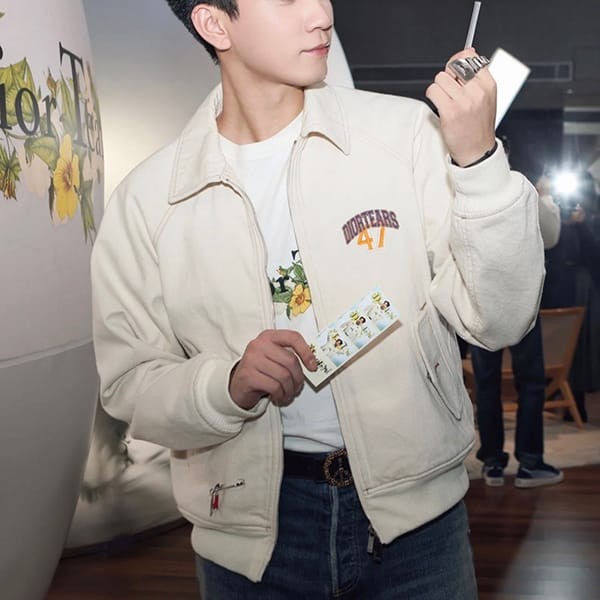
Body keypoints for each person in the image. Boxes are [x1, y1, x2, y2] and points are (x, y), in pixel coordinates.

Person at [91, 1, 544, 598]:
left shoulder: (406, 135)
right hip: (252, 537)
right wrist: (226, 385)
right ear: (215, 24)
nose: (322, 13)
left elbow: (501, 320)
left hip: (418, 524)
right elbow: (130, 384)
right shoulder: (149, 201)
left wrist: (479, 161)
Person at [469, 169, 564, 489]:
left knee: (486, 385)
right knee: (531, 382)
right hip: (520, 298)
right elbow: (551, 237)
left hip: (482, 300)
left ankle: (493, 463)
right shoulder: (522, 189)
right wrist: (545, 195)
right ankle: (530, 463)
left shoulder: (468, 189)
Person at [542, 171, 600, 422]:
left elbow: (595, 258)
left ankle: (577, 400)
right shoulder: (552, 210)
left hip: (582, 285)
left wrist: (582, 224)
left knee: (582, 344)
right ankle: (551, 392)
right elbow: (547, 246)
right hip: (554, 282)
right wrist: (560, 222)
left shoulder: (592, 217)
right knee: (553, 339)